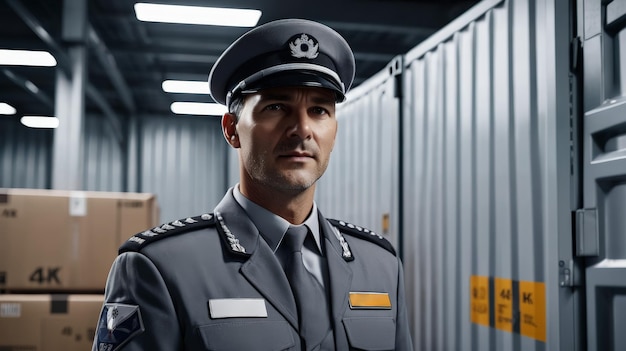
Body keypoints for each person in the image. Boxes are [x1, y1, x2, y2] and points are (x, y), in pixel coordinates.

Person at [92, 18, 413, 351]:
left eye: (319, 110)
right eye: (276, 107)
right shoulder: (160, 269)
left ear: (334, 131)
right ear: (231, 129)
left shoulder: (381, 266)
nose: (302, 129)